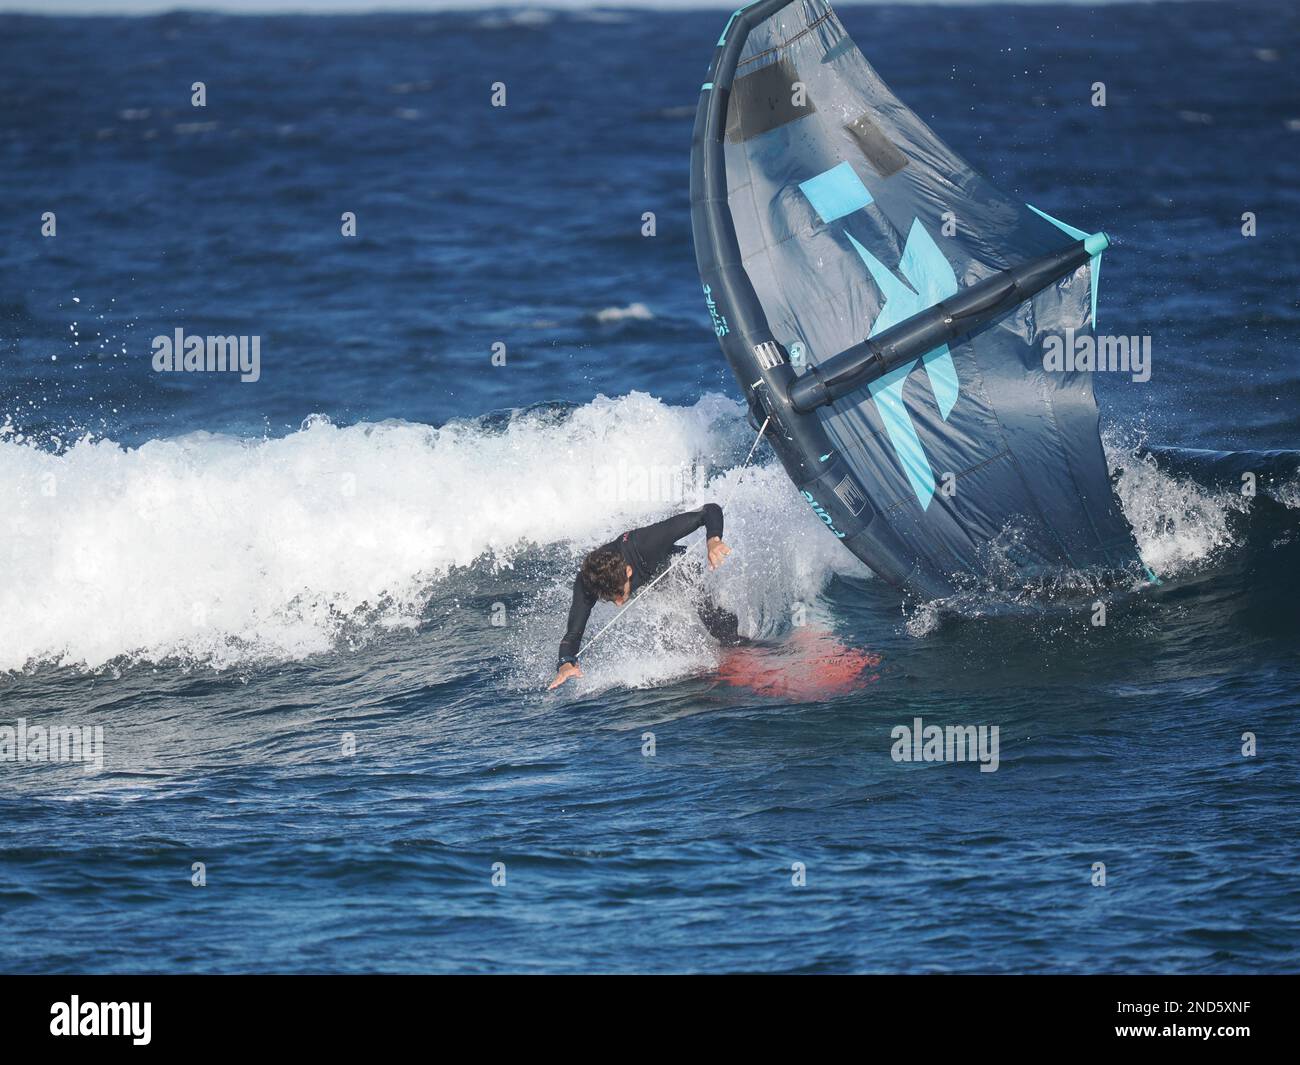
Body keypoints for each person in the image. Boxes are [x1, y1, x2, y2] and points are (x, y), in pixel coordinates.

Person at [548, 503, 742, 689]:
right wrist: (565, 663)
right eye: (608, 599)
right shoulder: (589, 581)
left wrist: (713, 541)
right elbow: (573, 634)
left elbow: (709, 510)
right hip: (654, 584)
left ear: (629, 571)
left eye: (618, 594)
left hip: (678, 569)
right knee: (668, 638)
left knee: (714, 623)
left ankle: (737, 645)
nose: (617, 603)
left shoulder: (646, 542)